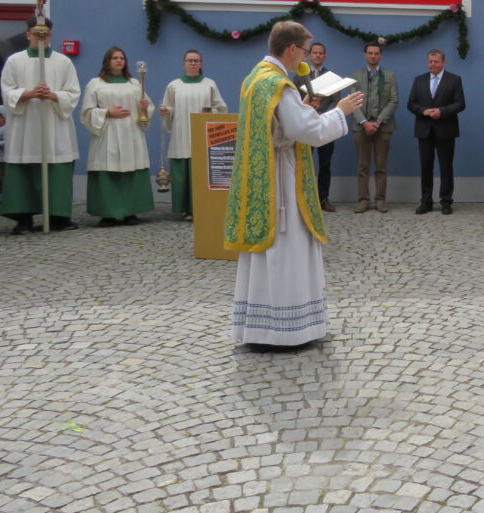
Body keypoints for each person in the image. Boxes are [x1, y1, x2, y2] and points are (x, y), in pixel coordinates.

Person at [225, 21, 364, 349]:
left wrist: (302, 110)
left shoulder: (254, 78)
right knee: (286, 252)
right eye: (304, 51)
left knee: (266, 257)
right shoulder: (278, 84)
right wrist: (341, 111)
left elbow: (280, 125)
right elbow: (309, 133)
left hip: (262, 178)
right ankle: (285, 331)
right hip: (281, 182)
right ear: (291, 49)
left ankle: (258, 327)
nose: (304, 57)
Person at [0, 16, 81, 234]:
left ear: (51, 35)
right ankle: (23, 218)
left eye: (44, 34)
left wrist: (54, 95)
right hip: (26, 126)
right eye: (36, 33)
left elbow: (73, 93)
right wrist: (28, 94)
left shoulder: (63, 62)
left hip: (55, 126)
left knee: (57, 170)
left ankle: (58, 217)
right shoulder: (14, 61)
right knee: (24, 170)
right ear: (28, 34)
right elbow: (7, 92)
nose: (40, 37)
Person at [81, 47, 155, 226]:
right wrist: (107, 112)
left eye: (122, 58)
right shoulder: (96, 83)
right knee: (109, 169)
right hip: (108, 132)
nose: (119, 61)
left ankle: (131, 211)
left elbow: (147, 108)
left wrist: (144, 107)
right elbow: (87, 112)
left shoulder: (134, 83)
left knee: (132, 169)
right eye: (115, 58)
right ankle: (108, 213)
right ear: (107, 61)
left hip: (131, 132)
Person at [159, 49, 227, 220]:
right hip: (181, 134)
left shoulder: (209, 84)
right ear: (184, 64)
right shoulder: (174, 85)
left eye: (196, 61)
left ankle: (203, 207)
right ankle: (186, 209)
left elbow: (221, 109)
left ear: (201, 64)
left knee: (202, 173)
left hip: (203, 136)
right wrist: (166, 111)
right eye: (190, 61)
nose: (193, 63)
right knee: (183, 172)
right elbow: (169, 106)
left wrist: (210, 112)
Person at [407, 48, 465, 215]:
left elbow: (460, 103)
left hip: (446, 129)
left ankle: (446, 201)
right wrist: (423, 111)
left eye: (436, 61)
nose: (432, 64)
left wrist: (442, 111)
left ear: (443, 62)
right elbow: (411, 103)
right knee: (426, 167)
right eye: (430, 61)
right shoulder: (419, 80)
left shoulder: (454, 80)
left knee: (446, 167)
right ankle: (426, 201)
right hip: (424, 130)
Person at [349, 42, 398, 213]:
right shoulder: (355, 76)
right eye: (370, 53)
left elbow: (394, 100)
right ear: (365, 55)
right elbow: (352, 102)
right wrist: (364, 122)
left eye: (376, 53)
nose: (373, 56)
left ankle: (380, 200)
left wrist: (378, 122)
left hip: (382, 128)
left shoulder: (389, 76)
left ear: (381, 55)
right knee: (362, 165)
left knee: (381, 165)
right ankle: (363, 199)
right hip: (360, 126)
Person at [294, 42, 340, 212]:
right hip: (307, 126)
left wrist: (322, 115)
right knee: (306, 163)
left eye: (321, 53)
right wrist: (309, 112)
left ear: (325, 56)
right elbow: (296, 99)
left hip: (326, 125)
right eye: (315, 53)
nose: (318, 55)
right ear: (309, 55)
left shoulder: (332, 76)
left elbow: (336, 100)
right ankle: (305, 199)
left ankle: (323, 198)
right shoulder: (299, 76)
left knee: (325, 164)